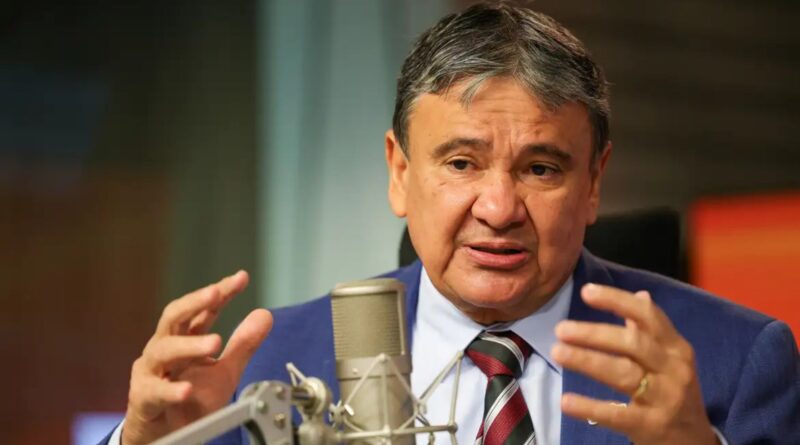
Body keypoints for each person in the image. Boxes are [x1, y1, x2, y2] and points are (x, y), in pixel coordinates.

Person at [101, 2, 800, 444]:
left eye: (541, 169)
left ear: (594, 182)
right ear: (399, 171)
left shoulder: (738, 363)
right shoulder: (270, 365)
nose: (498, 209)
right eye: (461, 163)